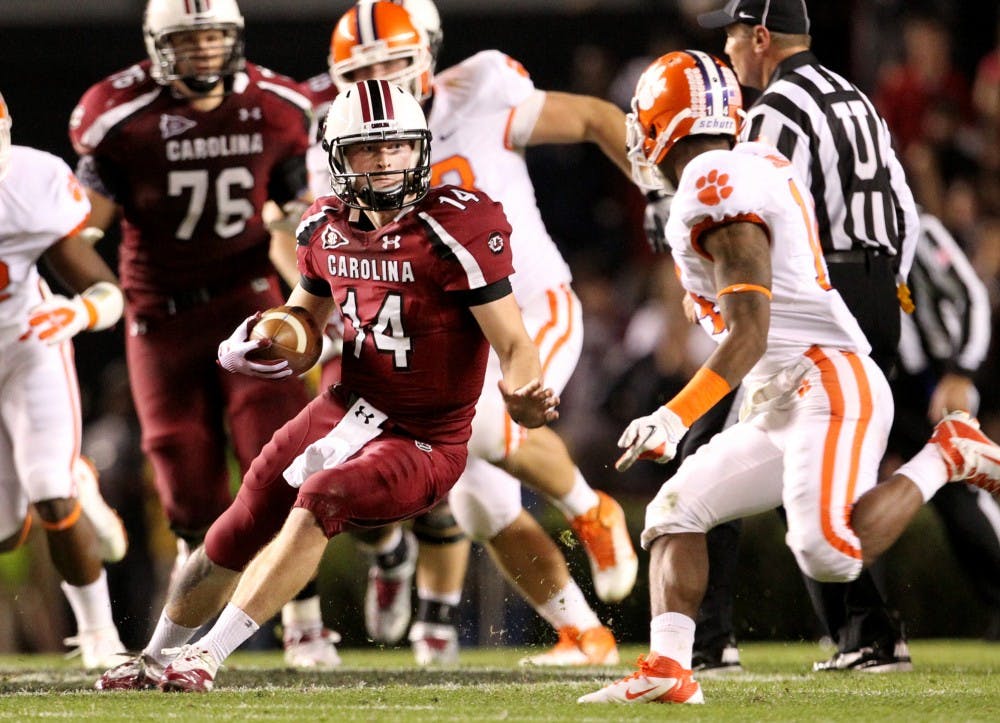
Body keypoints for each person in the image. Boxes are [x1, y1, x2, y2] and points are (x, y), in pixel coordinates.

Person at [96, 78, 559, 693]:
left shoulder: (457, 225)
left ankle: (206, 656)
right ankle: (153, 656)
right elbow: (302, 322)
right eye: (369, 149)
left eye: (397, 146)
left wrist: (525, 391)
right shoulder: (322, 229)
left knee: (321, 497)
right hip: (342, 408)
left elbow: (515, 343)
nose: (387, 161)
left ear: (419, 147)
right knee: (237, 522)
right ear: (339, 158)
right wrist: (260, 342)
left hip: (425, 436)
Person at [578, 49, 1000, 706]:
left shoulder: (715, 181)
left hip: (830, 384)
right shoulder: (734, 167)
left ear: (666, 123)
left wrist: (674, 414)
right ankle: (668, 663)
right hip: (781, 393)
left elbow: (747, 329)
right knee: (675, 509)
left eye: (643, 118)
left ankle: (948, 454)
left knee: (828, 550)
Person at [305, 0, 638, 666]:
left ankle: (592, 508)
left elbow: (601, 119)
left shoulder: (481, 90)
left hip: (530, 302)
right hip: (444, 335)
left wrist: (666, 203)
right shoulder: (335, 138)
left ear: (428, 54)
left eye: (397, 64)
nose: (385, 85)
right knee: (482, 507)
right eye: (364, 72)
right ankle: (584, 633)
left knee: (485, 428)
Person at [68, 0, 338, 668]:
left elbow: (291, 221)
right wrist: (103, 288)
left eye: (216, 37)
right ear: (157, 47)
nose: (204, 52)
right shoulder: (117, 114)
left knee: (274, 463)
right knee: (186, 484)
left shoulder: (277, 103)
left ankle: (305, 626)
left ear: (237, 39)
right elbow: (80, 228)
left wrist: (314, 309)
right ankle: (180, 640)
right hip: (158, 312)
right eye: (187, 41)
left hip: (247, 300)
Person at [681, 0, 924, 673]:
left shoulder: (774, 111)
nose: (728, 52)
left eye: (731, 36)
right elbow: (903, 204)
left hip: (822, 300)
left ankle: (706, 641)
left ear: (760, 37)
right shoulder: (854, 97)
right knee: (806, 464)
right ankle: (867, 630)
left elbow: (768, 217)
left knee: (709, 441)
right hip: (877, 288)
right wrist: (890, 285)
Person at [0, 89, 130, 669]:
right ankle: (77, 475)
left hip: (28, 348)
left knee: (49, 490)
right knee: (7, 537)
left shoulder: (26, 184)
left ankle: (100, 634)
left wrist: (76, 314)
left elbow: (106, 292)